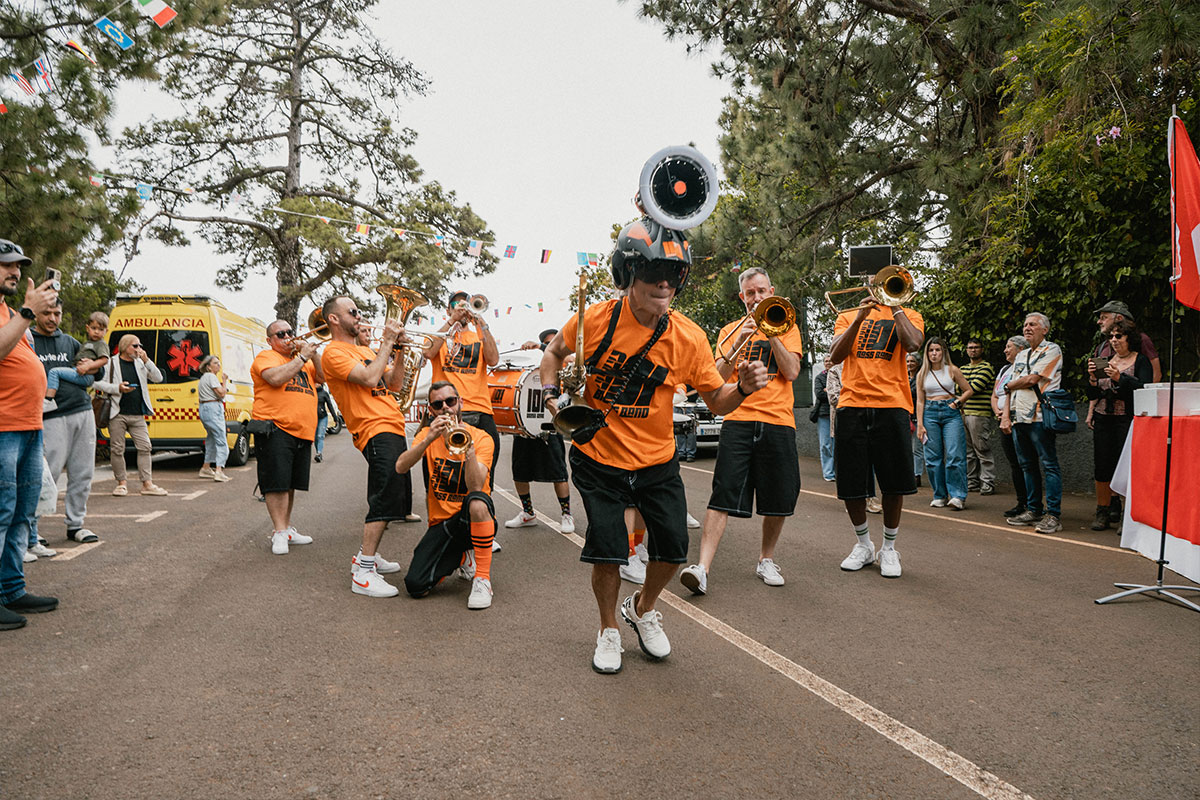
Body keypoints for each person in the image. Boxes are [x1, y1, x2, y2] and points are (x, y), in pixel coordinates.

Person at [540, 217, 769, 674]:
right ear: (627, 274)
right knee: (608, 548)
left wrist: (742, 388)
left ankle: (641, 609)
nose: (664, 284)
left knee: (673, 548)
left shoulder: (688, 337)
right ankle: (608, 628)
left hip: (656, 459)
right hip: (597, 455)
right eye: (652, 273)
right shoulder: (595, 319)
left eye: (673, 274)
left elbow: (717, 402)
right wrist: (552, 399)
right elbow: (553, 355)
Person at [680, 266, 803, 596]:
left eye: (762, 291)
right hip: (737, 419)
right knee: (723, 493)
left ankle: (766, 559)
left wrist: (772, 331)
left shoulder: (787, 326)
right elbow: (715, 378)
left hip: (779, 421)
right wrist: (739, 339)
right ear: (742, 297)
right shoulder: (729, 330)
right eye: (751, 293)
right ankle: (702, 568)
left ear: (771, 290)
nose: (757, 297)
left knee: (777, 498)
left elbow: (791, 371)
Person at [320, 296, 413, 598]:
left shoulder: (363, 349)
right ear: (334, 319)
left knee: (393, 495)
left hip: (391, 424)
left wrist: (398, 349)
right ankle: (363, 572)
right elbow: (370, 377)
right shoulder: (333, 352)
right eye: (352, 312)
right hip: (373, 428)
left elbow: (394, 384)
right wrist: (387, 340)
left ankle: (366, 557)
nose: (359, 316)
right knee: (384, 496)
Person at [830, 290, 925, 579]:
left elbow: (913, 343)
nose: (877, 285)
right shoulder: (846, 316)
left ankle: (889, 548)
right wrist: (859, 318)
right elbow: (835, 355)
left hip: (892, 404)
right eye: (872, 279)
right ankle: (863, 544)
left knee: (894, 483)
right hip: (852, 404)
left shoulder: (909, 314)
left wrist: (895, 307)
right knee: (852, 483)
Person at [0, 238, 61, 630]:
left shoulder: (7, 312)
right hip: (3, 427)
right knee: (1, 513)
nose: (15, 272)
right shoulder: (16, 315)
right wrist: (26, 312)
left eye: (18, 266)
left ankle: (11, 587)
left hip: (27, 426)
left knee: (22, 512)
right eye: (6, 265)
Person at [397, 381, 498, 609]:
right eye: (438, 404)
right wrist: (428, 439)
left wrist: (468, 450)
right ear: (431, 410)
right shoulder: (426, 434)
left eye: (450, 401)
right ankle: (463, 557)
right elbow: (400, 467)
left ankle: (482, 578)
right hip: (442, 523)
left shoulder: (482, 438)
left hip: (472, 517)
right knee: (416, 585)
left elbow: (475, 486)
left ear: (460, 403)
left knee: (477, 501)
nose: (445, 408)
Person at [31, 301, 103, 542]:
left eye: (57, 313)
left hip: (82, 411)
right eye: (47, 313)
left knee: (83, 472)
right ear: (35, 314)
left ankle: (75, 525)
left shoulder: (70, 342)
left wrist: (91, 367)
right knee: (46, 474)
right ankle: (32, 531)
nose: (53, 318)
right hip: (50, 415)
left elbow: (96, 372)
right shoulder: (28, 340)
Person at [249, 320, 322, 555]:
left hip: (301, 430)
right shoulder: (266, 356)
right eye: (281, 334)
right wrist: (301, 358)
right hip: (275, 427)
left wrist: (314, 354)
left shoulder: (303, 361)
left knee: (290, 483)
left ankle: (287, 528)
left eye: (290, 332)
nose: (288, 336)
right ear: (270, 340)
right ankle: (279, 531)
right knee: (276, 483)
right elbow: (275, 379)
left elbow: (322, 377)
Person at [423, 290, 501, 480]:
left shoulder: (478, 337)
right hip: (446, 409)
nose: (461, 308)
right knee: (442, 474)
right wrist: (451, 322)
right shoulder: (439, 336)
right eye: (456, 305)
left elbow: (493, 360)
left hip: (480, 410)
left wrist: (481, 324)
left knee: (484, 472)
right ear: (448, 310)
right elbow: (428, 352)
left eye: (465, 304)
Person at [505, 328, 575, 534]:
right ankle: (528, 513)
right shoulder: (535, 365)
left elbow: (570, 359)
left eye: (553, 342)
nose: (550, 344)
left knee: (558, 473)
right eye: (546, 341)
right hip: (526, 423)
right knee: (520, 472)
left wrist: (543, 347)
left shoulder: (564, 362)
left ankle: (566, 514)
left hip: (550, 423)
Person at [1086, 319, 1152, 532]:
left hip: (1127, 418)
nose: (1114, 340)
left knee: (1127, 466)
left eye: (1118, 336)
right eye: (1111, 337)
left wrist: (1119, 378)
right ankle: (1102, 511)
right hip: (1104, 416)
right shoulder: (1105, 360)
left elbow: (1144, 388)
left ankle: (1128, 514)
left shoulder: (1140, 361)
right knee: (1102, 465)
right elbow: (1093, 394)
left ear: (1129, 339)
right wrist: (1092, 381)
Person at [1001, 313, 1064, 534]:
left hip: (1039, 416)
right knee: (1027, 465)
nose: (1027, 328)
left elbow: (1032, 379)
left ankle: (1053, 515)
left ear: (1044, 329)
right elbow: (1010, 388)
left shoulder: (1052, 350)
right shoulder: (1022, 354)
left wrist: (1010, 385)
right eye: (1025, 324)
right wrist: (1006, 416)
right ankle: (1034, 509)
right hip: (1019, 418)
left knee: (1049, 464)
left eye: (1033, 325)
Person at [94, 333, 167, 498]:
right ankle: (121, 483)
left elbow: (158, 378)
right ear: (125, 346)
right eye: (135, 346)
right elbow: (96, 382)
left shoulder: (141, 363)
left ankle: (147, 483)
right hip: (117, 413)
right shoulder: (111, 363)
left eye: (140, 346)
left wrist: (147, 360)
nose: (139, 349)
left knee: (145, 447)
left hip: (137, 414)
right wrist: (117, 388)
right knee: (117, 449)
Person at [915, 336, 974, 510]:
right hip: (929, 413)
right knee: (933, 458)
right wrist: (920, 424)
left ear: (943, 352)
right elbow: (920, 401)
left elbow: (968, 390)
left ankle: (957, 495)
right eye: (931, 350)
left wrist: (957, 403)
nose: (934, 354)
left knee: (955, 454)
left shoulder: (952, 370)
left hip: (950, 412)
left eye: (938, 350)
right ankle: (939, 494)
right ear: (927, 353)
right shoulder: (922, 373)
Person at [991, 336, 1038, 519]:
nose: (1005, 350)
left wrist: (1007, 414)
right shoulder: (1004, 369)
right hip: (1003, 418)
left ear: (1020, 349)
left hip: (1019, 419)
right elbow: (995, 394)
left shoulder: (1025, 368)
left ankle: (1032, 504)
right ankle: (1021, 502)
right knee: (1014, 463)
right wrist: (998, 411)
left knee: (1025, 462)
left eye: (1008, 346)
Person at [43, 310, 109, 412]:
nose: (97, 332)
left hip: (85, 375)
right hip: (79, 373)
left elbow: (104, 360)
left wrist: (89, 366)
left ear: (106, 331)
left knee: (54, 372)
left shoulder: (101, 344)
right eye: (94, 328)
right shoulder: (87, 343)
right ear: (87, 328)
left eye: (101, 329)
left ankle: (48, 401)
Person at [960, 339, 997, 495]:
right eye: (970, 348)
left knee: (982, 448)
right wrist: (964, 387)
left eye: (976, 347)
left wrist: (964, 386)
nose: (973, 350)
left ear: (982, 350)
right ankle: (972, 481)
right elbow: (956, 386)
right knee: (968, 451)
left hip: (979, 414)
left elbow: (974, 387)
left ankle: (988, 482)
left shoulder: (987, 368)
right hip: (963, 412)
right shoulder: (962, 368)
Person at [1093, 300, 1160, 383]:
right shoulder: (1102, 347)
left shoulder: (1141, 339)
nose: (1099, 322)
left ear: (1119, 318)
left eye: (1104, 318)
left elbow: (1156, 375)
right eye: (1110, 337)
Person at [196, 355, 232, 482]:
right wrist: (224, 381)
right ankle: (219, 470)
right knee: (221, 439)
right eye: (215, 363)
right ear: (208, 366)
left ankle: (206, 467)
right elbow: (221, 393)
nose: (218, 365)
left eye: (219, 363)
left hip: (205, 408)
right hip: (213, 408)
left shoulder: (204, 378)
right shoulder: (211, 377)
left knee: (211, 438)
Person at [814, 356, 835, 481]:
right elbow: (820, 394)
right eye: (826, 361)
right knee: (826, 444)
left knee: (837, 444)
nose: (828, 363)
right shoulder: (820, 377)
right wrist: (832, 392)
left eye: (830, 360)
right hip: (824, 414)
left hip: (838, 413)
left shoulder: (840, 374)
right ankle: (828, 473)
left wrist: (829, 390)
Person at [905, 351, 923, 486]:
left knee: (917, 448)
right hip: (904, 416)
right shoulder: (903, 377)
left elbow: (913, 393)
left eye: (912, 361)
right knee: (906, 448)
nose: (909, 364)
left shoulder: (921, 377)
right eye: (907, 361)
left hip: (917, 416)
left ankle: (917, 475)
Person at [314, 383, 337, 463]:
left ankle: (318, 453)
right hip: (313, 418)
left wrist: (335, 417)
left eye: (317, 383)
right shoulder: (312, 392)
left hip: (323, 417)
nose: (315, 384)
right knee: (315, 438)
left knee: (320, 436)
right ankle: (318, 452)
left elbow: (330, 405)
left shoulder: (324, 393)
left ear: (320, 384)